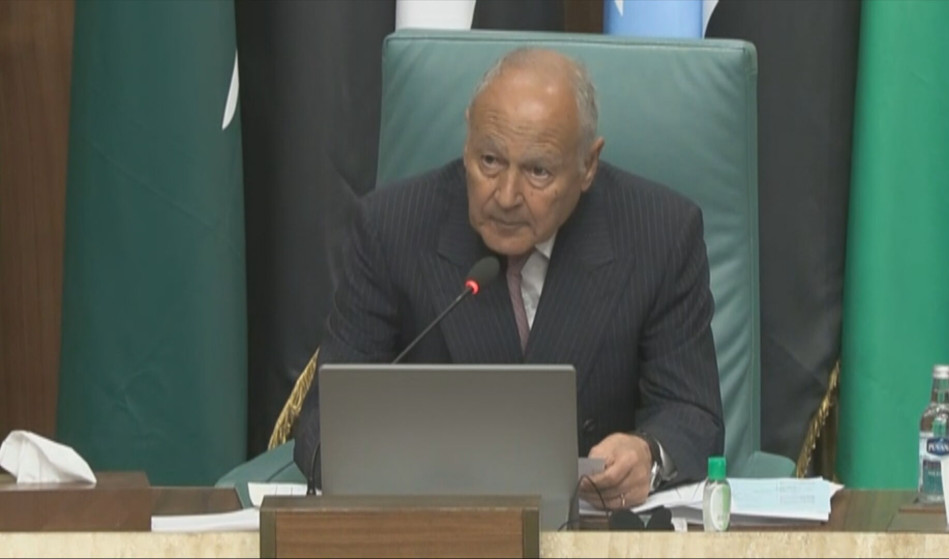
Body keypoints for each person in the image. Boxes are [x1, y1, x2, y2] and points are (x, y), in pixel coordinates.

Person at [293, 47, 724, 510]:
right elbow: (326, 421)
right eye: (490, 161)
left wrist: (649, 455)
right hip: (435, 522)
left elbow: (691, 412)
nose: (506, 195)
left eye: (538, 171)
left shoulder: (660, 234)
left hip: (592, 526)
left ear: (588, 165)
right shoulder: (392, 228)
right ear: (467, 141)